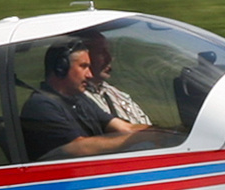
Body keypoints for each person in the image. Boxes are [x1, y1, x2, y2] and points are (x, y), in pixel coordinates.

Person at [20, 40, 153, 160]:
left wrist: (161, 133)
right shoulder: (41, 105)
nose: (89, 74)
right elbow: (80, 148)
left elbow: (124, 127)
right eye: (83, 66)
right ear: (61, 68)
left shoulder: (79, 99)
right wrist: (137, 138)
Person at [81, 32, 152, 125]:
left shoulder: (118, 95)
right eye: (101, 53)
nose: (109, 59)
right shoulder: (75, 99)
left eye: (108, 52)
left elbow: (146, 126)